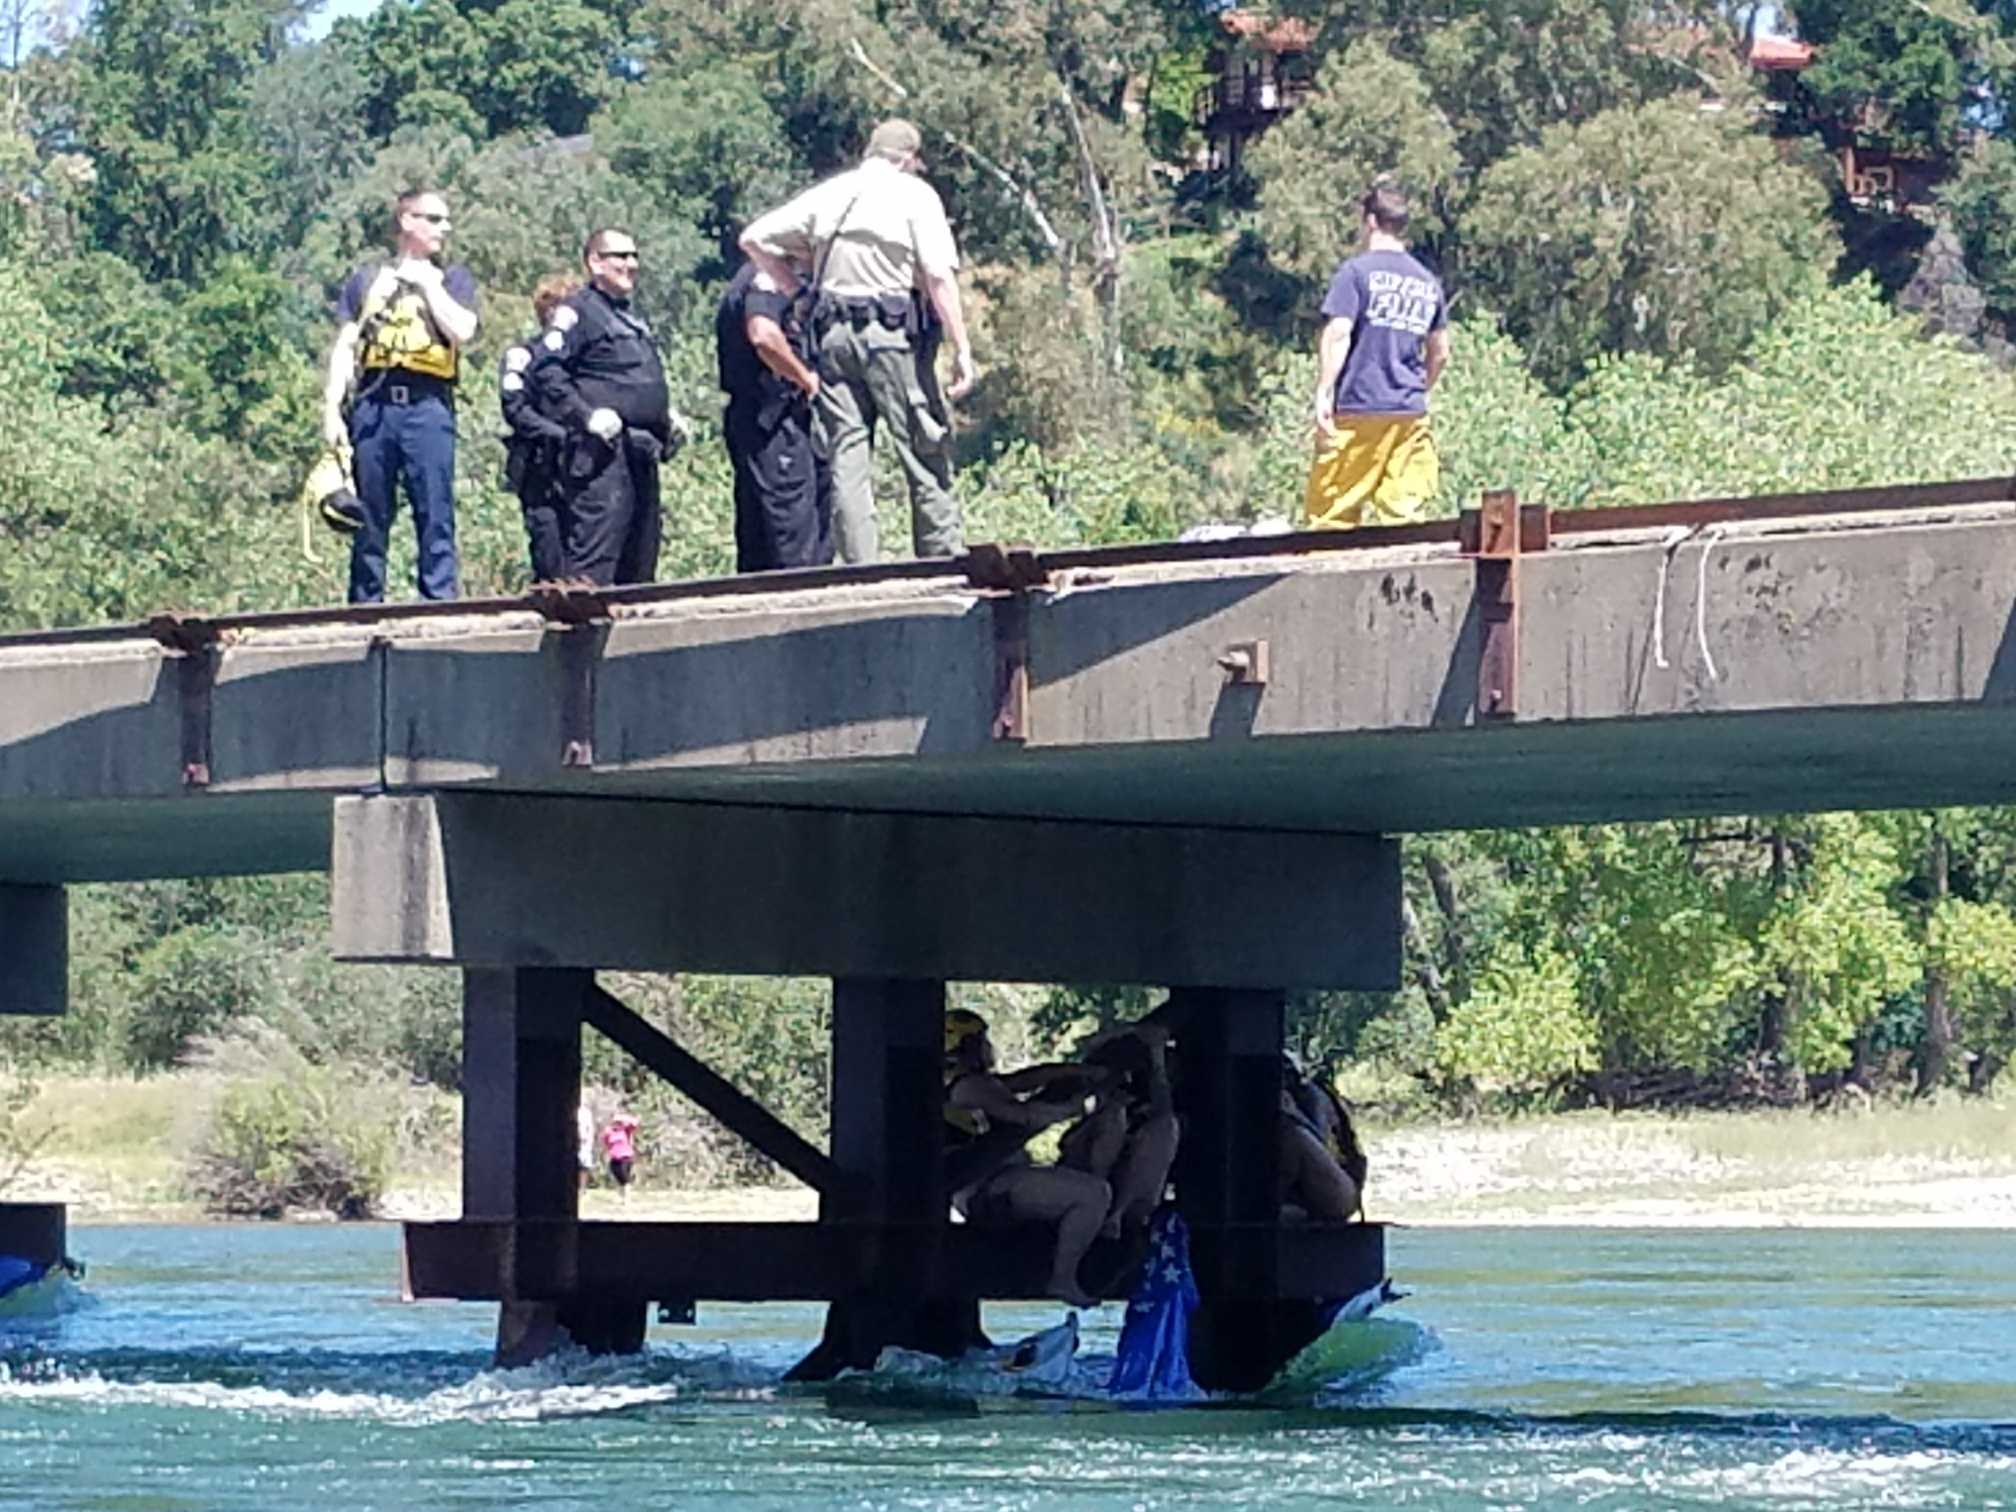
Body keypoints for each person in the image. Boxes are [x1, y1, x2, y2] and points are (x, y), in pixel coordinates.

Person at [739, 119, 976, 565]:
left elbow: (752, 238)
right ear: (908, 158)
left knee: (847, 454)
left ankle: (861, 566)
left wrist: (796, 290)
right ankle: (940, 556)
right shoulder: (914, 194)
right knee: (922, 444)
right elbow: (939, 276)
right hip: (891, 337)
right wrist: (962, 348)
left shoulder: (830, 193)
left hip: (832, 339)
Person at [321, 187, 481, 603]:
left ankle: (439, 600)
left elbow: (462, 331)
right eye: (434, 219)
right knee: (370, 514)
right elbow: (345, 345)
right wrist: (332, 411)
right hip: (374, 405)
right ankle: (365, 604)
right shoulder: (368, 280)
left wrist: (427, 287)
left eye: (445, 220)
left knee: (435, 509)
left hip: (428, 405)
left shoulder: (451, 278)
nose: (443, 229)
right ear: (407, 222)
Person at [531, 228, 677, 586]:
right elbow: (547, 369)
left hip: (641, 448)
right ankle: (583, 634)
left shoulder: (629, 315)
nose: (631, 264)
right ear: (595, 262)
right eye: (620, 256)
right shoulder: (578, 311)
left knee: (640, 556)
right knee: (595, 559)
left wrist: (665, 416)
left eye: (634, 256)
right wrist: (585, 415)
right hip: (602, 455)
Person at [942, 1009, 1112, 1308]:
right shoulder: (972, 1087)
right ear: (967, 1045)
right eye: (980, 1040)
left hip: (983, 1186)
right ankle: (1063, 1277)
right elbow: (1025, 1116)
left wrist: (1076, 1072)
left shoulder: (965, 1083)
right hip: (988, 1190)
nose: (987, 1047)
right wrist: (1075, 1108)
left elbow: (1029, 1078)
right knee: (1094, 1194)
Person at [1306, 183, 1450, 531]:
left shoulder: (1355, 273)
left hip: (1359, 409)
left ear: (1369, 221)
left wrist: (1324, 391)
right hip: (1409, 415)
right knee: (1405, 518)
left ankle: (1332, 583)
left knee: (1332, 517)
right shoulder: (1427, 282)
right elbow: (1441, 353)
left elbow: (1339, 332)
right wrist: (1418, 389)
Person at [716, 260, 833, 572]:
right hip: (775, 420)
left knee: (761, 541)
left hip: (765, 420)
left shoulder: (760, 276)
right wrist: (804, 377)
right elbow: (763, 335)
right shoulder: (767, 276)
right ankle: (807, 611)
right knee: (794, 541)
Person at [1057, 1020, 1179, 1240]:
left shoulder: (1162, 1110)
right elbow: (1088, 1051)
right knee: (1113, 1117)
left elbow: (1163, 1110)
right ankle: (1098, 1202)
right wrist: (1121, 1036)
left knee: (1166, 1129)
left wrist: (1157, 1055)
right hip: (1086, 1176)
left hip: (1133, 1194)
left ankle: (1114, 1215)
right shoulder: (1104, 1092)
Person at [501, 272, 581, 583]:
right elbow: (515, 409)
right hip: (540, 471)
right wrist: (560, 435)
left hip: (583, 472)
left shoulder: (585, 360)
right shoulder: (522, 356)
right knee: (549, 553)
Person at [1279, 1058, 1367, 1220]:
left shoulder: (1313, 1097)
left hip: (1340, 1190)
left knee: (1296, 1137)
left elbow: (1322, 1146)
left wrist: (1293, 1115)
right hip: (1304, 1196)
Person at [602, 1111, 639, 1196]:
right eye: (615, 1122)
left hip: (625, 1157)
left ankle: (627, 1198)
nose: (616, 1124)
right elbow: (606, 1143)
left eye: (618, 1122)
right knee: (618, 1178)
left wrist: (623, 1117)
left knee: (625, 1178)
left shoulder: (626, 1130)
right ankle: (621, 1197)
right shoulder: (609, 1131)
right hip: (614, 1158)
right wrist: (607, 1153)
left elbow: (635, 1122)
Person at [576, 1099, 595, 1193]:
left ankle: (582, 1189)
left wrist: (589, 1142)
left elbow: (590, 1128)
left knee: (584, 1167)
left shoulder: (586, 1113)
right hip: (574, 1142)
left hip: (584, 1143)